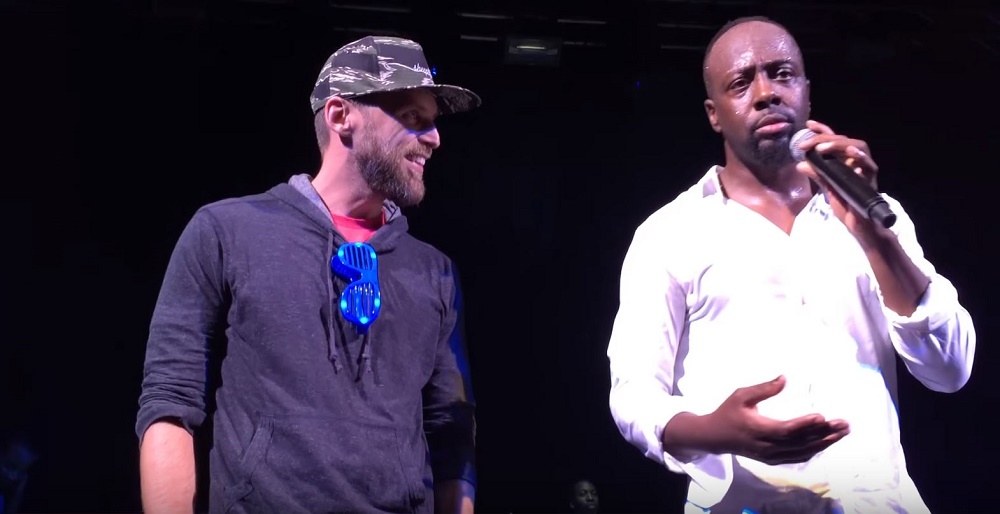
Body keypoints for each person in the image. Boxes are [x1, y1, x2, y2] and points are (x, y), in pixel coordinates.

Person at [606, 16, 976, 514]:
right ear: (714, 114)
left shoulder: (877, 216)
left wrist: (876, 240)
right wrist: (715, 431)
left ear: (806, 92)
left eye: (782, 74)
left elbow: (950, 370)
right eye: (741, 83)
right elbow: (633, 396)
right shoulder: (669, 233)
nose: (766, 93)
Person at [136, 35, 480, 514]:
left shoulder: (434, 271)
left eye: (433, 121)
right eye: (412, 117)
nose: (434, 138)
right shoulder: (227, 231)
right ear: (341, 116)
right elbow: (170, 400)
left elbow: (451, 434)